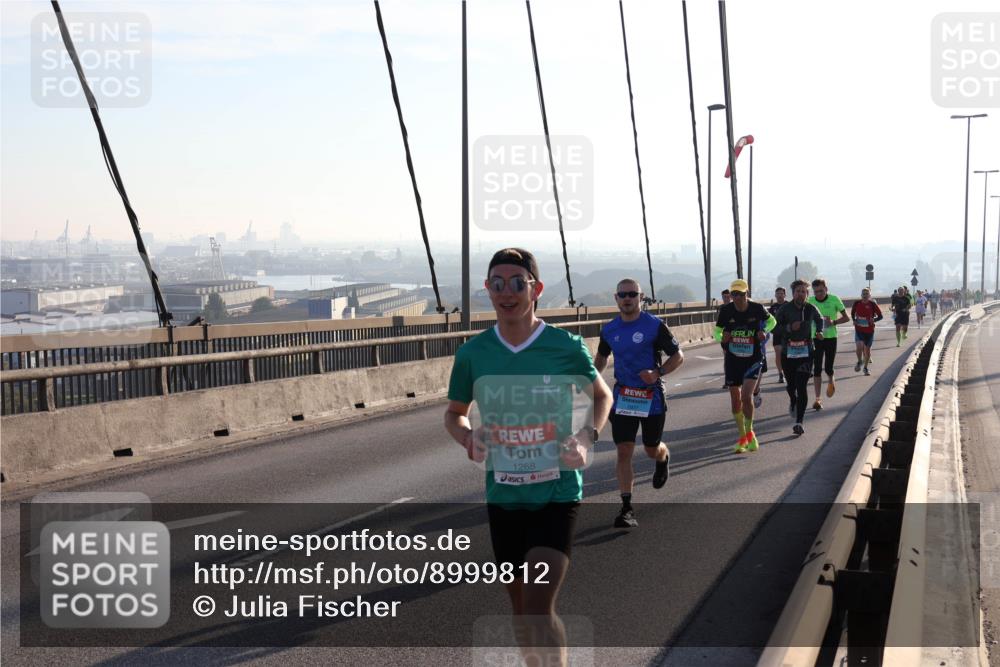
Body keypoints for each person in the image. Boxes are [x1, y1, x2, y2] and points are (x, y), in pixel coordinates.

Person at [444, 247, 613, 665]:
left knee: (538, 607)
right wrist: (467, 437)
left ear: (535, 289)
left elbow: (602, 396)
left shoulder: (564, 347)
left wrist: (586, 438)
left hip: (556, 491)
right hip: (504, 494)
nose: (507, 292)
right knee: (521, 609)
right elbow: (454, 413)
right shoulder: (473, 354)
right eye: (497, 284)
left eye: (517, 283)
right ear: (487, 289)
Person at [594, 278, 684, 528]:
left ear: (641, 297)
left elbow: (678, 356)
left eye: (632, 294)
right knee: (624, 450)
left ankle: (663, 458)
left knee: (651, 449)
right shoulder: (609, 329)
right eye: (622, 294)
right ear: (616, 298)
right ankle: (626, 508)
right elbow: (602, 357)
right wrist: (590, 380)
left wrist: (658, 373)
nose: (627, 298)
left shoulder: (654, 325)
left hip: (651, 396)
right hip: (623, 396)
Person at [714, 279, 776, 453]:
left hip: (753, 358)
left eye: (741, 294)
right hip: (733, 359)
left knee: (746, 396)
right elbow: (716, 332)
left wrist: (765, 331)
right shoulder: (726, 310)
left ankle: (750, 434)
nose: (738, 297)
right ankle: (743, 437)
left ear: (747, 293)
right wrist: (721, 338)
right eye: (734, 294)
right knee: (735, 399)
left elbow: (773, 322)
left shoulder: (757, 308)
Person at [774, 280, 825, 435]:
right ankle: (793, 399)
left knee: (801, 386)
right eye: (798, 291)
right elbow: (773, 327)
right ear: (793, 293)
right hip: (788, 353)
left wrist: (819, 331)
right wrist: (789, 327)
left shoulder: (810, 308)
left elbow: (820, 320)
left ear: (807, 294)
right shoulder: (784, 309)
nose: (801, 294)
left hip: (806, 353)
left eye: (803, 291)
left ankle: (799, 422)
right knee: (791, 386)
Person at [807, 278, 849, 410]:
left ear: (826, 289)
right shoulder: (810, 301)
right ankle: (818, 399)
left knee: (828, 367)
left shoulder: (834, 299)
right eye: (816, 292)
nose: (818, 294)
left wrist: (834, 322)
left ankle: (831, 379)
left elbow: (846, 318)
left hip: (831, 338)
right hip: (816, 338)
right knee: (817, 369)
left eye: (821, 291)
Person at [850, 288, 883, 375]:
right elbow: (852, 313)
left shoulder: (872, 304)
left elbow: (880, 316)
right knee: (859, 347)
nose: (865, 295)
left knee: (867, 351)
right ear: (861, 295)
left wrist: (874, 320)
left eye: (866, 294)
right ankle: (859, 361)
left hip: (869, 331)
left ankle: (865, 368)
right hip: (859, 329)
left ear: (869, 296)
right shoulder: (857, 303)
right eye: (863, 294)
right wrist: (854, 320)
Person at [768, 287, 788, 384]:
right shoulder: (773, 307)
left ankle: (789, 371)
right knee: (778, 353)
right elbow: (768, 321)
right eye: (778, 293)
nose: (780, 295)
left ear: (785, 295)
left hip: (788, 334)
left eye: (781, 293)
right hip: (777, 334)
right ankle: (781, 374)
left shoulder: (789, 305)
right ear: (775, 295)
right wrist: (771, 330)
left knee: (788, 355)